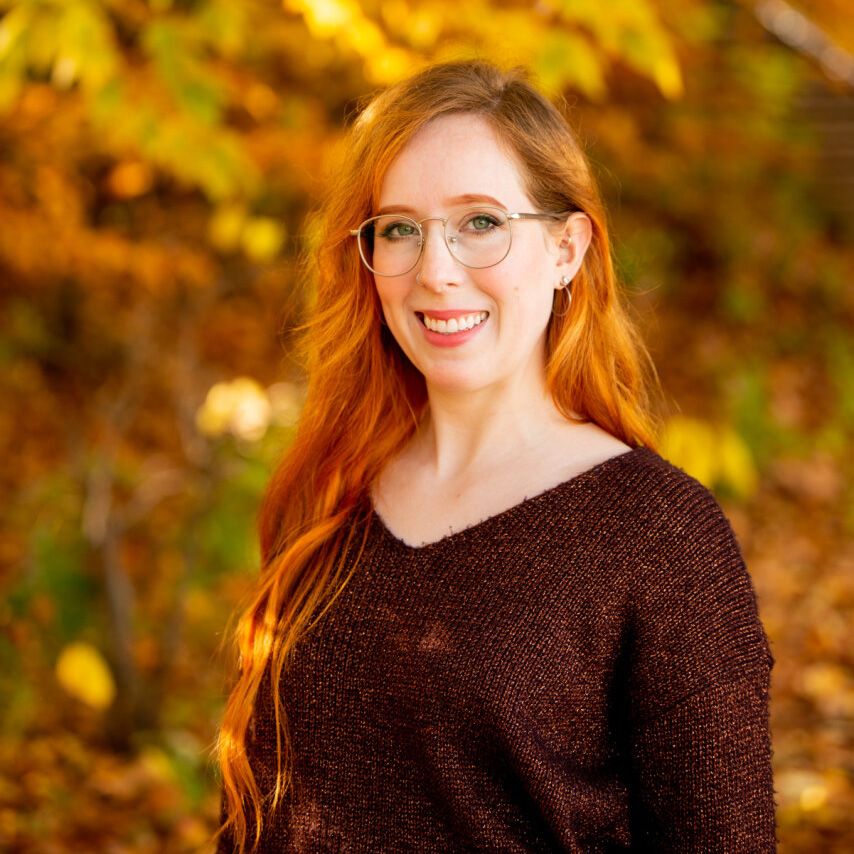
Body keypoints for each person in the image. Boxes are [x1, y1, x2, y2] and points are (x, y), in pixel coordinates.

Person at [214, 60, 777, 852]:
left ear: (566, 249)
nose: (437, 271)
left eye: (481, 223)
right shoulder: (330, 497)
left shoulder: (660, 536)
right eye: (401, 228)